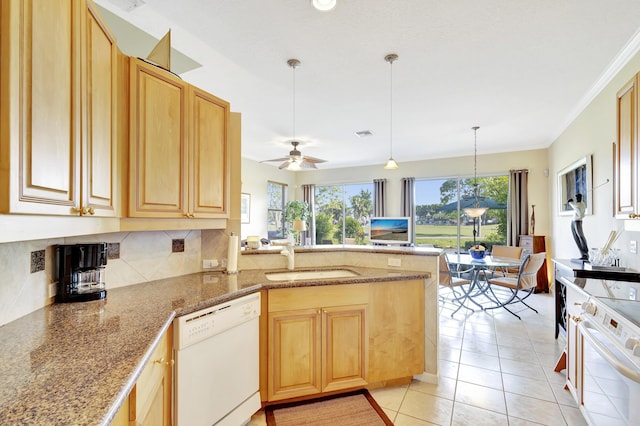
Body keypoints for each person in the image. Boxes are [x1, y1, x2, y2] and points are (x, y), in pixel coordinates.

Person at [568, 194, 588, 260]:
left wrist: (570, 202)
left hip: (577, 221)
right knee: (576, 238)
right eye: (576, 198)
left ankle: (585, 254)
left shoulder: (581, 205)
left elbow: (576, 206)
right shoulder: (579, 204)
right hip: (574, 221)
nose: (577, 199)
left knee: (580, 237)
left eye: (578, 198)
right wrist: (571, 202)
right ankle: (582, 254)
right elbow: (575, 205)